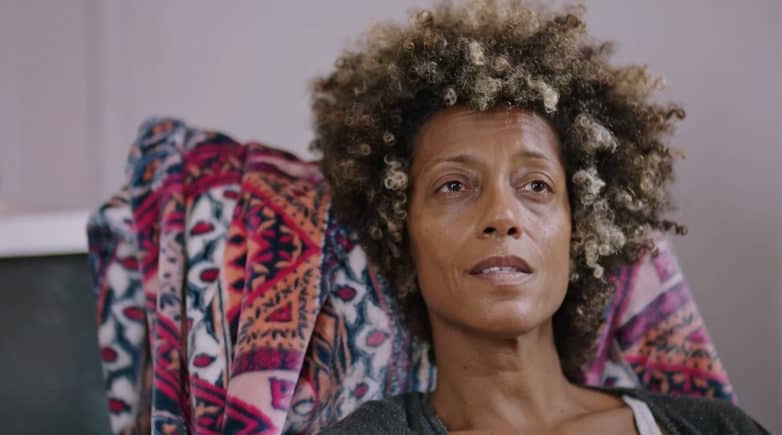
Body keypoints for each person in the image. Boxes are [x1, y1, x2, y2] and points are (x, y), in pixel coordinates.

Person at [308, 0, 769, 434]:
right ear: (399, 234)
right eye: (453, 186)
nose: (502, 215)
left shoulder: (713, 428)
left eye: (536, 186)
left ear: (579, 230)